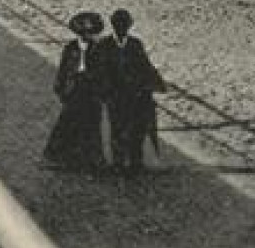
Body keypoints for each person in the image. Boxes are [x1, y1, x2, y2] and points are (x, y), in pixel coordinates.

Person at [102, 9, 167, 176]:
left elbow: (145, 66)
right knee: (117, 128)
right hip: (115, 95)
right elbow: (101, 70)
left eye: (124, 25)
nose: (121, 28)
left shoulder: (135, 44)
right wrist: (107, 92)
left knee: (136, 129)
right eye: (118, 25)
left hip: (133, 94)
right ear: (114, 25)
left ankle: (135, 162)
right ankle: (118, 162)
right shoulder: (105, 45)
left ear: (128, 26)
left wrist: (156, 83)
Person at [43, 11, 108, 171]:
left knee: (92, 124)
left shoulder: (99, 49)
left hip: (91, 89)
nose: (86, 36)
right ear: (78, 33)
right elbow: (63, 70)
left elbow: (103, 72)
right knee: (68, 122)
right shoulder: (71, 48)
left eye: (90, 33)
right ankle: (60, 157)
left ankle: (92, 159)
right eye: (83, 33)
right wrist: (60, 88)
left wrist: (101, 91)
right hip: (74, 88)